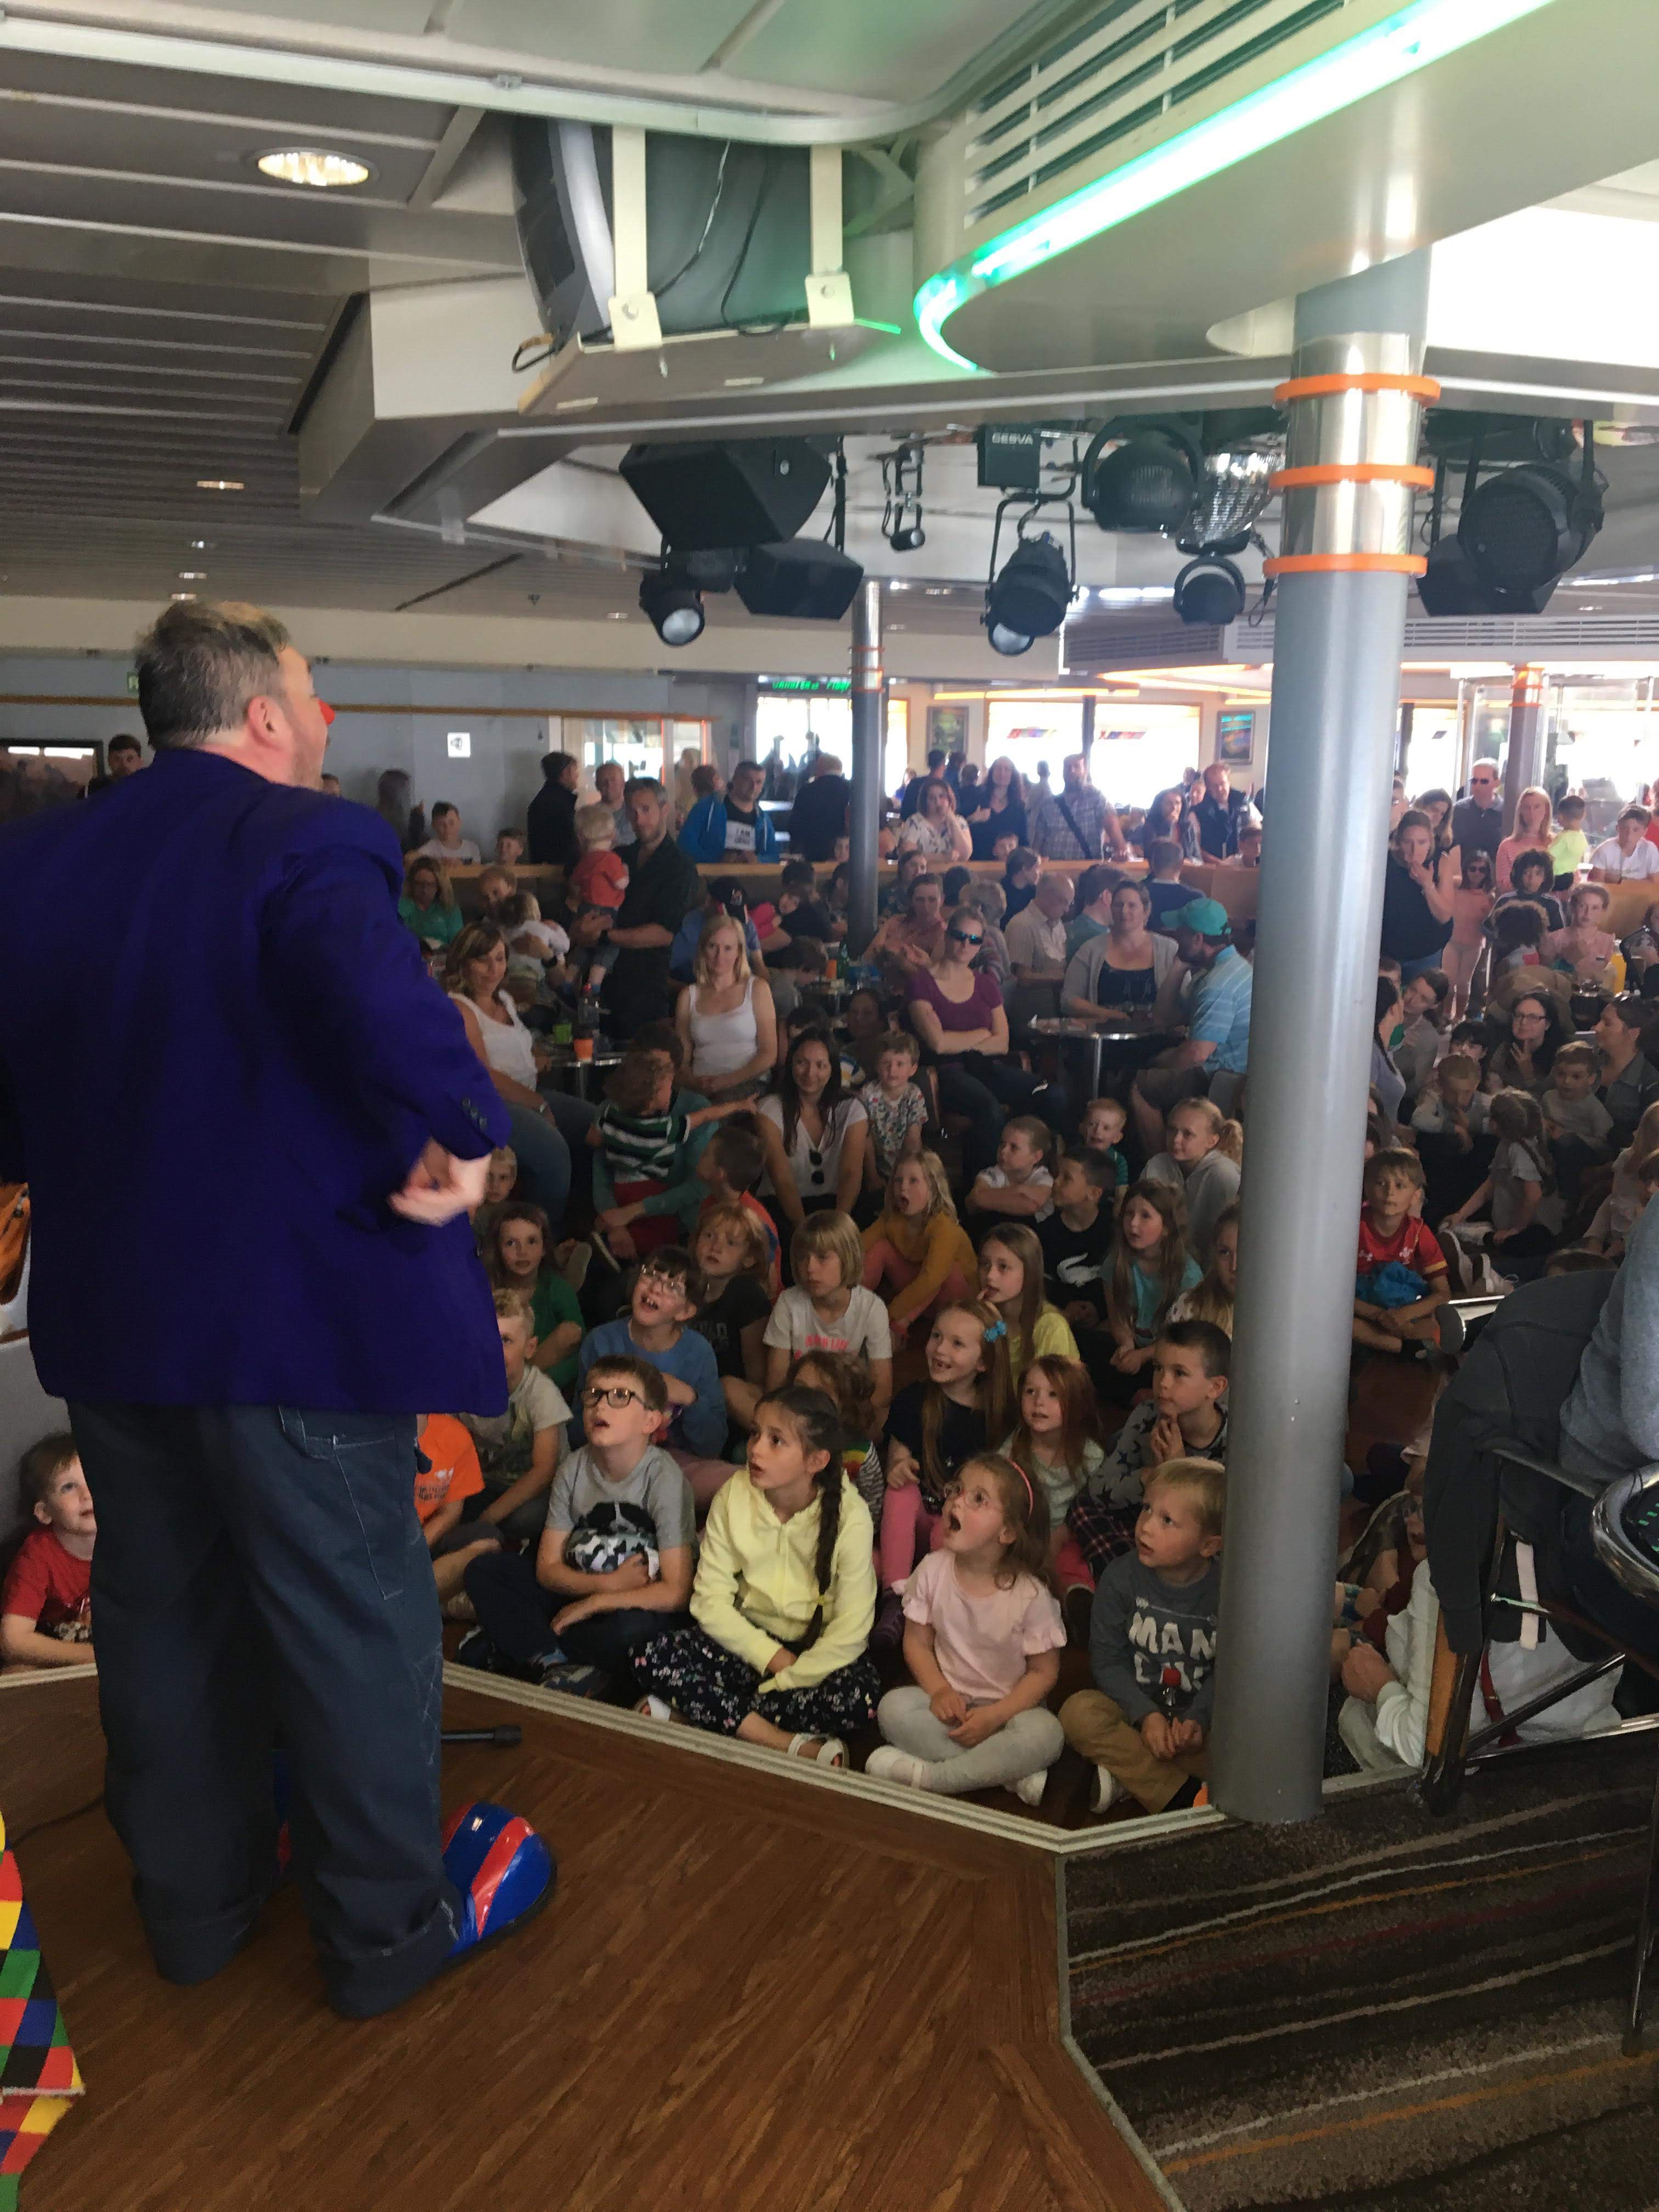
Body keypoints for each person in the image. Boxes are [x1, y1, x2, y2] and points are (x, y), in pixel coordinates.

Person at [0, 597, 551, 2016]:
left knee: (161, 1615)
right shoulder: (301, 839)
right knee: (356, 1617)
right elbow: (364, 984)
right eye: (311, 698)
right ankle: (381, 1937)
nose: (323, 722)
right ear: (260, 715)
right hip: (293, 1330)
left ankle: (193, 1912)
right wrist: (465, 1123)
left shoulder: (43, 860)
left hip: (116, 1330)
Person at [633, 1386, 879, 1766]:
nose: (757, 1449)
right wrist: (772, 1658)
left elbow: (852, 1628)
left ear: (816, 1461)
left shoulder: (852, 1515)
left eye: (776, 1440)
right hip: (746, 1642)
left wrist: (793, 1676)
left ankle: (699, 1713)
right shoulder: (734, 1495)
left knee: (858, 1699)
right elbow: (709, 1601)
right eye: (755, 1434)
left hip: (813, 1656)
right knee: (652, 1657)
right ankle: (783, 1743)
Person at [461, 1356, 695, 1699]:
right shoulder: (573, 1467)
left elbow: (676, 1592)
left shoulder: (664, 1478)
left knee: (634, 1633)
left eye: (620, 1396)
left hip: (628, 1604)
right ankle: (555, 1662)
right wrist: (604, 1584)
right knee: (485, 1570)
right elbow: (547, 1568)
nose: (601, 1404)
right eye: (594, 1394)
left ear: (651, 1420)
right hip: (578, 1584)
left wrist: (596, 1602)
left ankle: (525, 1648)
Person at [867, 1452, 1065, 1805]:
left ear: (1007, 1532)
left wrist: (996, 1716)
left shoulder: (1031, 1595)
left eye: (978, 1499)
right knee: (892, 1708)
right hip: (951, 1709)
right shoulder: (932, 1570)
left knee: (1047, 1734)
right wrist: (940, 1690)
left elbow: (1044, 1672)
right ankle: (1002, 1772)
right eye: (957, 1490)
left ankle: (935, 1779)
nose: (956, 1501)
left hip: (1011, 1714)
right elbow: (917, 1643)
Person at [1060, 1457, 1223, 1815]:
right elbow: (1106, 1660)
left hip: (1197, 1723)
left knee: (1253, 1743)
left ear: (1208, 1546)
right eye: (1147, 1509)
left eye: (1167, 1521)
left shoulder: (1228, 1590)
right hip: (1132, 1709)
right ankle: (1180, 1796)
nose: (1146, 1526)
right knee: (1077, 1714)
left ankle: (1131, 1777)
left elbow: (1231, 1669)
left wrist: (1198, 1718)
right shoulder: (1120, 1578)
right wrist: (1145, 1716)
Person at [1063, 1321, 1229, 1594]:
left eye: (1179, 1373)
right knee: (1082, 1509)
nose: (1163, 1383)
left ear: (1215, 1387)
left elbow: (1214, 1529)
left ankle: (1129, 1591)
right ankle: (1133, 1590)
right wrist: (1152, 1476)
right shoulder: (1147, 1415)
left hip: (1193, 1544)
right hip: (1144, 1524)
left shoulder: (1234, 1443)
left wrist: (1176, 1471)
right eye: (1158, 1369)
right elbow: (1098, 1491)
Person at [906, 900, 1059, 1180]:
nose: (966, 945)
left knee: (1052, 1093)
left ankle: (1039, 1178)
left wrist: (964, 1040)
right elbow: (938, 1044)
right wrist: (980, 1035)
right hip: (947, 1073)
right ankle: (981, 1189)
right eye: (960, 936)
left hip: (990, 1066)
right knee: (989, 1109)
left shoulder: (985, 984)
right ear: (947, 936)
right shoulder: (922, 982)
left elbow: (1002, 1042)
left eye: (975, 940)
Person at [877, 1299, 1013, 1611]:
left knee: (961, 1515)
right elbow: (897, 1456)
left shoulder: (996, 1417)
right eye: (936, 1336)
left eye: (957, 1344)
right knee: (901, 1492)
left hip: (957, 1527)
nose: (940, 1350)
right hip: (914, 1520)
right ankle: (894, 1597)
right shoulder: (914, 1399)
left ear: (983, 1363)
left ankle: (937, 1600)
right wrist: (898, 1467)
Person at [444, 921, 582, 1220]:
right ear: (463, 963)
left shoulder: (504, 1000)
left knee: (594, 1123)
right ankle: (544, 1236)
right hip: (491, 1104)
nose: (494, 969)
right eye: (483, 960)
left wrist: (536, 1056)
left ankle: (583, 1227)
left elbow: (514, 1045)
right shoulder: (460, 1007)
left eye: (499, 958)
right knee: (552, 1151)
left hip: (529, 1091)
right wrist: (540, 1104)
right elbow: (483, 1076)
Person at [574, 1249, 729, 1498]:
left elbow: (712, 1445)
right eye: (650, 1275)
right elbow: (577, 1427)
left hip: (676, 1464)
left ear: (685, 1312)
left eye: (672, 1287)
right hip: (611, 1461)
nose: (656, 1288)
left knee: (734, 1483)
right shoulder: (601, 1341)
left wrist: (690, 1398)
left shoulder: (698, 1352)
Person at [1131, 899, 1252, 1156]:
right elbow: (1163, 1018)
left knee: (1141, 1086)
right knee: (1153, 1062)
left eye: (1181, 932)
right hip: (1227, 1067)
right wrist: (1178, 967)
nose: (1175, 936)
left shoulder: (1217, 984)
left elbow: (1198, 1054)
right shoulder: (1225, 968)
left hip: (1224, 1076)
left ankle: (1162, 1168)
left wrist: (1162, 1063)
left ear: (1198, 938)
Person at [764, 1211, 893, 1423]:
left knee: (883, 1416)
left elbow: (883, 1391)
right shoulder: (789, 1302)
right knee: (732, 1389)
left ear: (848, 1257)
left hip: (846, 1410)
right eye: (803, 1257)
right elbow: (775, 1384)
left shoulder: (872, 1307)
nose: (810, 1268)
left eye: (822, 1257)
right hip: (797, 1410)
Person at [603, 776, 704, 1035]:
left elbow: (663, 933)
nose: (638, 819)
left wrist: (605, 937)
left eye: (646, 810)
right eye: (632, 811)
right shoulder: (620, 857)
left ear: (664, 810)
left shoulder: (680, 866)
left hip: (648, 984)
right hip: (608, 978)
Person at [757, 1028, 870, 1228]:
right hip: (783, 1207)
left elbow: (851, 1173)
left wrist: (837, 1228)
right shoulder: (769, 1109)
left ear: (833, 1068)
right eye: (802, 1063)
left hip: (838, 1207)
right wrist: (803, 1229)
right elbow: (781, 1178)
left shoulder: (852, 1109)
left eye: (821, 1065)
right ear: (791, 1064)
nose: (810, 1073)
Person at [860, 1151, 977, 1344]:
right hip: (918, 1300)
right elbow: (858, 1246)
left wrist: (889, 1316)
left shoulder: (944, 1225)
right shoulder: (891, 1219)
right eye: (898, 1181)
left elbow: (932, 1280)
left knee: (942, 1273)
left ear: (933, 1187)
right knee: (879, 1248)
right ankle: (847, 1305)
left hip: (954, 1304)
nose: (903, 1188)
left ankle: (895, 1328)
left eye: (913, 1181)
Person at [1, 1434, 95, 1668]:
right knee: (18, 1673)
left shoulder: (131, 1541)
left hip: (120, 1658)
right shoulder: (38, 1554)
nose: (87, 1495)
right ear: (45, 1512)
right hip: (59, 1656)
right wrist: (93, 1658)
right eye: (69, 1487)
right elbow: (13, 1642)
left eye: (95, 1479)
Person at [1351, 1149, 1451, 1356]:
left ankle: (1404, 1345)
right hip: (1363, 1308)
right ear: (1366, 1187)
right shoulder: (1353, 1226)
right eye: (1381, 1183)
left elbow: (1442, 1293)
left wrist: (1403, 1315)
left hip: (1404, 1308)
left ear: (1416, 1195)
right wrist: (1379, 1315)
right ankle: (1405, 1349)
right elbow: (1334, 1292)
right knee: (1342, 1324)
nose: (1390, 1194)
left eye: (1400, 1186)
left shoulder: (1419, 1232)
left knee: (1436, 1324)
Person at [689, 1204, 774, 1430]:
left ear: (748, 1259)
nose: (715, 1247)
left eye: (731, 1243)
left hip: (735, 1405)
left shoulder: (747, 1295)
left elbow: (757, 1377)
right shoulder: (684, 1290)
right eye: (709, 1236)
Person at [675, 911, 776, 1101]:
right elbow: (683, 1058)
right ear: (703, 949)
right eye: (713, 946)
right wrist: (694, 1084)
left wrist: (724, 1082)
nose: (720, 955)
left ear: (739, 952)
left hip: (747, 1084)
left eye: (728, 948)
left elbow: (769, 1054)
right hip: (700, 1086)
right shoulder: (688, 995)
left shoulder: (757, 988)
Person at [1062, 876, 1180, 1032]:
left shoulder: (1169, 949)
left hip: (1157, 1039)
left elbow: (1185, 1000)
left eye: (1132, 906)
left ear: (1146, 911)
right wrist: (1111, 1015)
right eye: (1119, 905)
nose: (1124, 911)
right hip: (1104, 1040)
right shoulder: (1090, 950)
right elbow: (1068, 999)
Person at [1144, 1097, 1242, 1264]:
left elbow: (1224, 1239)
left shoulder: (1223, 1175)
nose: (1176, 1139)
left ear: (1213, 1140)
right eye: (1172, 1130)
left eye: (1187, 1134)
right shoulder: (1158, 1164)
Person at [978, 1223, 1079, 1378]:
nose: (990, 1276)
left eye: (1003, 1267)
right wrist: (974, 1323)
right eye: (985, 1264)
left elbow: (1052, 1395)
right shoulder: (982, 1317)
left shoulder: (1050, 1326)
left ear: (1029, 1271)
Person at [1040, 1147, 1119, 1320]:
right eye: (1057, 1175)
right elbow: (1045, 1285)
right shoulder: (1046, 1232)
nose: (1056, 1182)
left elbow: (1121, 1283)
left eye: (1066, 1178)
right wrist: (1067, 1309)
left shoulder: (1114, 1229)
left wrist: (1098, 1309)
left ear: (1094, 1193)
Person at [1380, 809, 1455, 979]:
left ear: (1431, 842)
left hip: (1426, 952)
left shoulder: (1440, 862)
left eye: (1422, 842)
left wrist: (1428, 885)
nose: (1415, 850)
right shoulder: (1384, 861)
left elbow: (1444, 916)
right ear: (1399, 841)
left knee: (1421, 1000)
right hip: (1388, 953)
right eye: (1408, 842)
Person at [857, 1029, 930, 1193]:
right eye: (886, 1063)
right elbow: (865, 1137)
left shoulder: (914, 1095)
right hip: (874, 1164)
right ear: (877, 1065)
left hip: (905, 1165)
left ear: (912, 1068)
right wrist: (872, 1175)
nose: (892, 1070)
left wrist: (907, 1176)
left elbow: (914, 1140)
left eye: (900, 1064)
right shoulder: (868, 1094)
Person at [1029, 752, 1124, 863]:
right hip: (1053, 873)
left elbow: (1112, 827)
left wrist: (1121, 852)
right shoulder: (1048, 806)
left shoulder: (1097, 799)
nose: (1072, 771)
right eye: (1068, 767)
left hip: (1088, 872)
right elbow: (1038, 843)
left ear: (1085, 771)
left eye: (1077, 767)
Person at [1594, 992, 1659, 1148]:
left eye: (1607, 1023)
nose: (1596, 1028)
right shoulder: (1586, 1057)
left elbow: (1648, 1139)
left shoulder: (1650, 1082)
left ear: (1633, 1033)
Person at [968, 1116, 1057, 1224]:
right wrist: (1020, 1191)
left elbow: (1031, 1206)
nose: (1003, 1151)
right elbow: (976, 1199)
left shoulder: (1043, 1177)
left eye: (1014, 1147)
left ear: (1036, 1157)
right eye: (1002, 1144)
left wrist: (990, 1197)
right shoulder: (991, 1173)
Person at [868, 871, 947, 992]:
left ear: (942, 900)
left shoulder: (944, 934)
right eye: (920, 900)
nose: (926, 907)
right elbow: (868, 957)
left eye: (932, 900)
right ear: (911, 901)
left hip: (916, 997)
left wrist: (901, 962)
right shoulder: (896, 921)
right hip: (879, 988)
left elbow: (934, 982)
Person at [1483, 988, 1565, 1099]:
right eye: (1519, 1016)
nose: (1523, 1022)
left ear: (1548, 1024)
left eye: (1533, 1018)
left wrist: (1529, 1075)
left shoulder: (1560, 1056)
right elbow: (1492, 1078)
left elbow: (1550, 1101)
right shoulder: (1506, 1047)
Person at [787, 751, 852, 862]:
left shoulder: (806, 792)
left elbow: (794, 826)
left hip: (813, 856)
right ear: (840, 770)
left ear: (819, 769)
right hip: (846, 858)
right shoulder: (853, 790)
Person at [894, 775, 973, 862]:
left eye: (942, 796)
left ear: (950, 799)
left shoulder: (960, 821)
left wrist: (953, 821)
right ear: (925, 802)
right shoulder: (915, 821)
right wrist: (943, 858)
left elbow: (965, 855)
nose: (938, 802)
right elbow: (908, 855)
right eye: (932, 798)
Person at [965, 754, 1029, 859]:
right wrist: (973, 819)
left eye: (1007, 770)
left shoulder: (1019, 807)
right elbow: (960, 827)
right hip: (977, 862)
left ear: (1012, 775)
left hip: (1008, 865)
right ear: (992, 772)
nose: (1002, 773)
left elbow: (1023, 841)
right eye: (998, 769)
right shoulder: (977, 799)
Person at [1494, 786, 1556, 891]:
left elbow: (1572, 877)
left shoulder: (1557, 843)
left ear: (1546, 810)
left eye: (1537, 807)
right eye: (1527, 807)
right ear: (1521, 811)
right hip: (1518, 904)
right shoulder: (1507, 846)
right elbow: (1503, 883)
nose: (1531, 812)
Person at [1191, 761, 1255, 861]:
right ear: (1208, 788)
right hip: (1212, 869)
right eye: (1215, 786)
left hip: (1243, 866)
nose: (1220, 789)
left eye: (1223, 784)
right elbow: (1195, 848)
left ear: (1229, 783)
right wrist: (1220, 865)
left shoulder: (1244, 803)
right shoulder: (1197, 812)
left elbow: (1258, 833)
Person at [527, 749, 580, 869]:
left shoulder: (541, 800)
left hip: (542, 869)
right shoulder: (562, 803)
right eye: (575, 770)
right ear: (567, 772)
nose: (577, 775)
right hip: (560, 871)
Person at [398, 855, 462, 952]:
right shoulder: (400, 906)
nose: (424, 890)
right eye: (419, 884)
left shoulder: (450, 908)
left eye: (430, 885)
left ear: (440, 885)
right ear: (411, 883)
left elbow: (458, 946)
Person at [1452, 759, 1504, 867]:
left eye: (1484, 781)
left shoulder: (1506, 812)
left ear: (1497, 783)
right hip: (1461, 876)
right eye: (1474, 781)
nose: (1478, 785)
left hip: (1494, 878)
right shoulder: (1459, 810)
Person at [1589, 802, 1659, 883]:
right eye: (1625, 828)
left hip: (1642, 896)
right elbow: (1597, 885)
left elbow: (1655, 883)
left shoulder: (1650, 850)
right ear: (1617, 828)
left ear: (1645, 831)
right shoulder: (1605, 850)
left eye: (1636, 830)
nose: (1629, 835)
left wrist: (1621, 881)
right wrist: (1641, 882)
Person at [412, 801, 481, 868]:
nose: (447, 828)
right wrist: (438, 862)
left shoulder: (472, 847)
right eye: (441, 824)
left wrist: (461, 863)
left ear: (460, 822)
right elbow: (410, 859)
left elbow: (477, 868)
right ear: (433, 826)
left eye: (451, 823)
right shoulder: (431, 847)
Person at [84, 730, 144, 797]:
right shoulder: (94, 789)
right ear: (109, 761)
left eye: (130, 759)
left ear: (140, 762)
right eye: (117, 759)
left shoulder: (149, 789)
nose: (124, 764)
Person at [594, 758, 635, 851]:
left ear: (623, 783)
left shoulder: (635, 812)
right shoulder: (590, 816)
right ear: (597, 786)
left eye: (613, 780)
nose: (609, 785)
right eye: (604, 781)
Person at [1549, 791, 1589, 885]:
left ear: (1561, 817)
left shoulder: (1564, 838)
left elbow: (1548, 857)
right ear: (1583, 816)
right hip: (1570, 878)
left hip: (1555, 878)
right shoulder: (1582, 838)